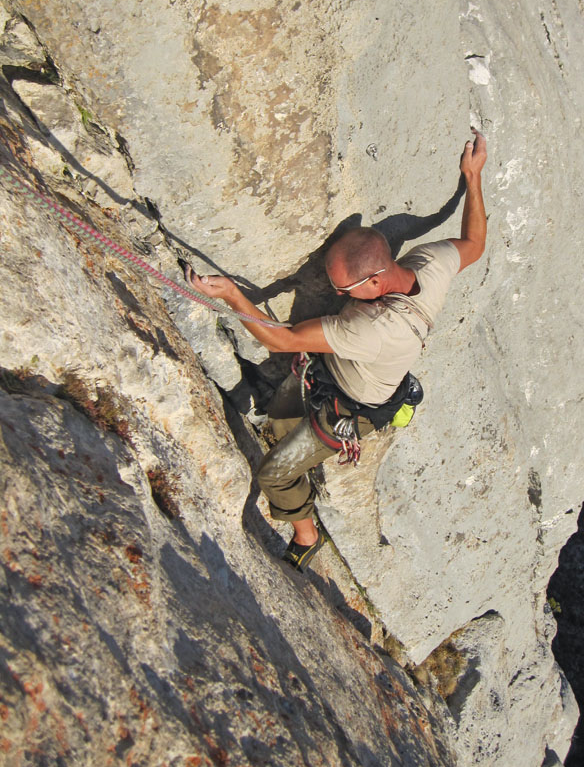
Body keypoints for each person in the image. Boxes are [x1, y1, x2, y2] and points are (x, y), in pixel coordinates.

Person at [187, 127, 488, 570]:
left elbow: (285, 338)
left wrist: (233, 295)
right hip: (334, 374)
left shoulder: (369, 328)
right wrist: (472, 177)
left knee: (273, 471)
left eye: (344, 289)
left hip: (353, 407)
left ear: (375, 281)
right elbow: (475, 245)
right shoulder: (430, 264)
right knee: (278, 418)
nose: (339, 295)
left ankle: (307, 537)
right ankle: (297, 457)